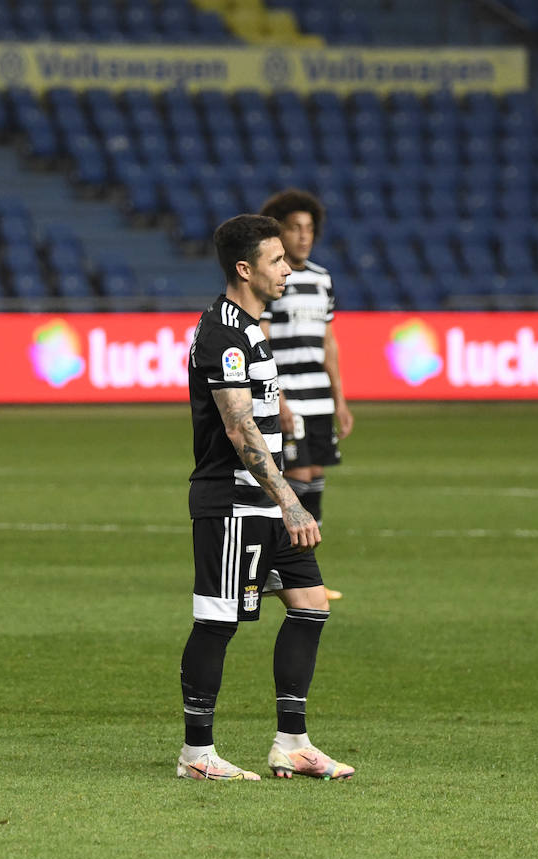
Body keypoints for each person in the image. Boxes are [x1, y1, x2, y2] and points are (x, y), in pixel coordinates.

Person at [177, 214, 353, 782]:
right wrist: (290, 499)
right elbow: (236, 428)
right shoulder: (222, 333)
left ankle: (291, 743)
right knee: (218, 622)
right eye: (277, 260)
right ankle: (197, 754)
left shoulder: (253, 328)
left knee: (310, 605)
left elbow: (254, 412)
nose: (287, 267)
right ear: (245, 269)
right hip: (233, 502)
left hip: (266, 500)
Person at [257, 189, 354, 602]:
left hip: (318, 398)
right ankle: (283, 570)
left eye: (309, 229)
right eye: (295, 228)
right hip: (289, 397)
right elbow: (262, 338)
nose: (303, 236)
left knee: (314, 480)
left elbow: (328, 341)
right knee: (293, 481)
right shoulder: (272, 280)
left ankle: (301, 571)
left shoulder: (321, 278)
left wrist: (341, 399)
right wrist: (276, 398)